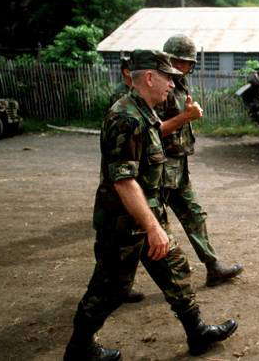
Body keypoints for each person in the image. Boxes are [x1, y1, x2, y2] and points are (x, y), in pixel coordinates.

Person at [63, 50, 237, 360]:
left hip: (147, 215)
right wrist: (153, 227)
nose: (172, 84)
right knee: (110, 289)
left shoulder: (145, 112)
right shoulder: (125, 117)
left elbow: (153, 151)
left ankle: (196, 332)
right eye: (168, 78)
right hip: (123, 223)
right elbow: (123, 181)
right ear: (149, 77)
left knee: (175, 271)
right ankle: (80, 348)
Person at [162, 34, 244, 286]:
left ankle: (213, 266)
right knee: (146, 229)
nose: (190, 67)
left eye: (189, 63)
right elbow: (153, 130)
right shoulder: (160, 86)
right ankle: (118, 284)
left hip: (178, 165)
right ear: (173, 60)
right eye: (186, 62)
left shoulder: (179, 83)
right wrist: (186, 117)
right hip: (158, 168)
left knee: (194, 215)